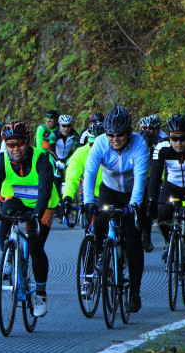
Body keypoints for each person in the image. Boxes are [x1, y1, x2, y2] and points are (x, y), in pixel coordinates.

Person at [0, 121, 58, 317]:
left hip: (43, 205)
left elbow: (45, 188)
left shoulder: (41, 158)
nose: (15, 149)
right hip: (17, 200)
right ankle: (8, 258)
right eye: (10, 144)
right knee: (5, 213)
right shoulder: (1, 159)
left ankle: (40, 293)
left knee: (35, 246)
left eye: (20, 144)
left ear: (28, 141)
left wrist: (37, 212)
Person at [83, 106, 149, 313]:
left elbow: (140, 179)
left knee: (132, 240)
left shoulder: (139, 145)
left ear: (129, 132)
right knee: (99, 223)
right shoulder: (101, 144)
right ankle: (98, 257)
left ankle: (135, 293)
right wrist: (88, 202)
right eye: (110, 134)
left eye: (119, 134)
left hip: (132, 193)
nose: (114, 138)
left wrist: (134, 205)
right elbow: (90, 173)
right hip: (109, 189)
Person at [148, 114, 185, 292]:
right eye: (174, 138)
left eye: (182, 138)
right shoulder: (162, 147)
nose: (178, 143)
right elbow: (155, 177)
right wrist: (151, 197)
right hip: (172, 185)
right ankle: (170, 242)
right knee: (162, 212)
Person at [61, 122, 105, 224]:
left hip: (111, 193)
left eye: (100, 145)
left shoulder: (114, 152)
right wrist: (67, 197)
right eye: (92, 145)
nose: (95, 149)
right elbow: (72, 177)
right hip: (91, 193)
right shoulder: (81, 153)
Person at [49, 114, 79, 218]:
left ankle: (67, 203)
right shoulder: (54, 135)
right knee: (56, 181)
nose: (66, 129)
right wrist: (57, 162)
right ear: (59, 125)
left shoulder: (74, 134)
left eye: (68, 126)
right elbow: (51, 151)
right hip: (55, 159)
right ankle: (56, 207)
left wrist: (70, 160)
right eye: (63, 126)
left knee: (69, 179)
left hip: (67, 158)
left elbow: (77, 149)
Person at [135, 129, 157, 252]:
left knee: (148, 209)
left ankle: (146, 239)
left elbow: (158, 170)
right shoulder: (133, 150)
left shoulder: (154, 153)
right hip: (135, 181)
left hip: (149, 181)